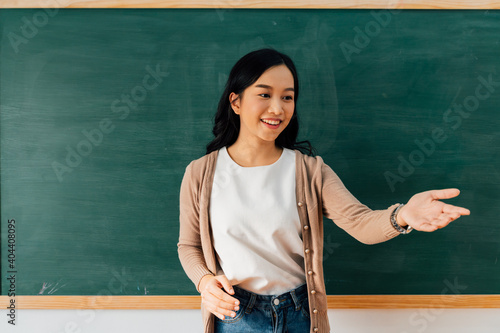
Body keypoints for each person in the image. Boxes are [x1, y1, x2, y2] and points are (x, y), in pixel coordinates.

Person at [177, 48, 470, 333]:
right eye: (264, 94)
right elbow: (189, 246)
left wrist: (403, 214)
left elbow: (361, 223)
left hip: (300, 314)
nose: (278, 108)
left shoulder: (310, 171)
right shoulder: (201, 173)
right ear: (236, 101)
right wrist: (204, 281)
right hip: (235, 314)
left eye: (288, 97)